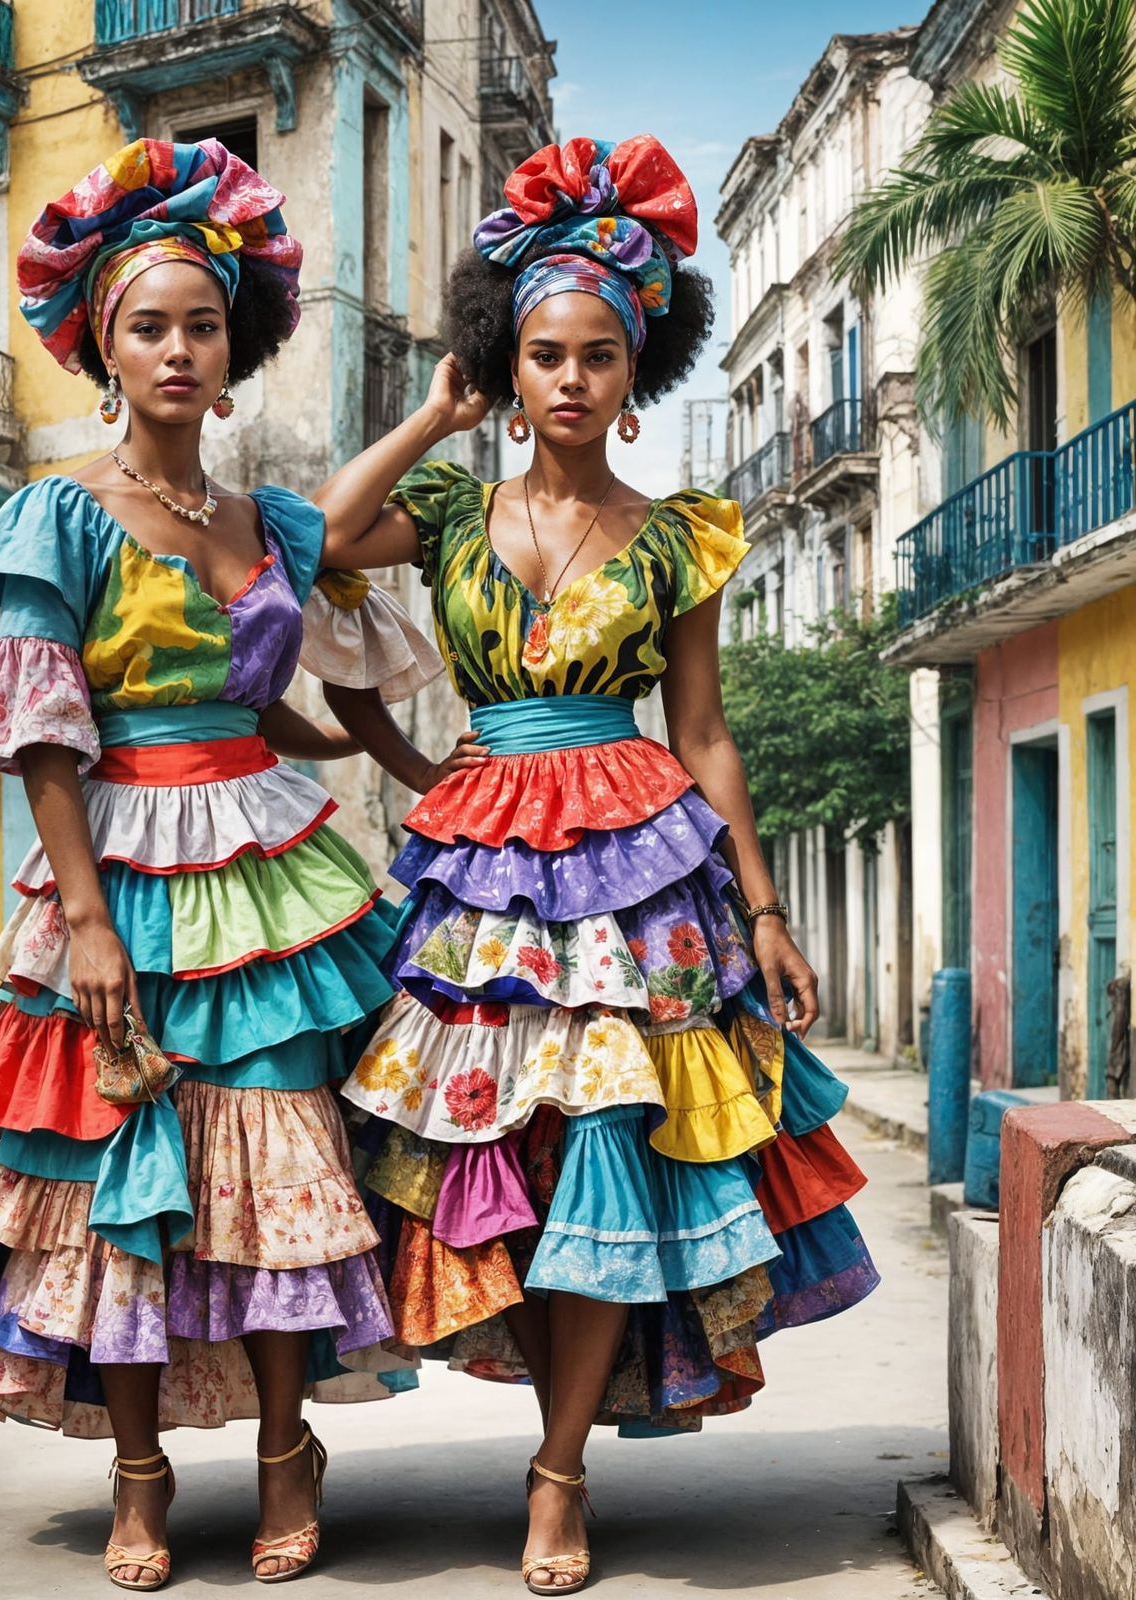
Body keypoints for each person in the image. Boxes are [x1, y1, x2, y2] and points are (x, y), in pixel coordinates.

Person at [316, 136, 879, 1596]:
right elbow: (312, 539)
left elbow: (703, 731)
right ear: (514, 361)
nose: (570, 379)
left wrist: (763, 909)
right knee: (479, 1156)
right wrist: (441, 411)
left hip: (642, 871)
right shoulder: (444, 513)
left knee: (615, 1152)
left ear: (638, 377)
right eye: (544, 353)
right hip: (478, 863)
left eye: (600, 357)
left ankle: (558, 1477)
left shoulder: (680, 538)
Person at [0, 138, 455, 1591]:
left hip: (272, 856)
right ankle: (142, 1474)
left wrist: (437, 420)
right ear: (103, 345)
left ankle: (290, 1454)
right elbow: (48, 735)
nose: (176, 348)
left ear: (237, 350)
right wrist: (86, 924)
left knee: (288, 1156)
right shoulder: (58, 511)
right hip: (117, 865)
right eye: (147, 325)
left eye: (201, 325)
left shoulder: (271, 523)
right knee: (133, 1176)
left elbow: (379, 598)